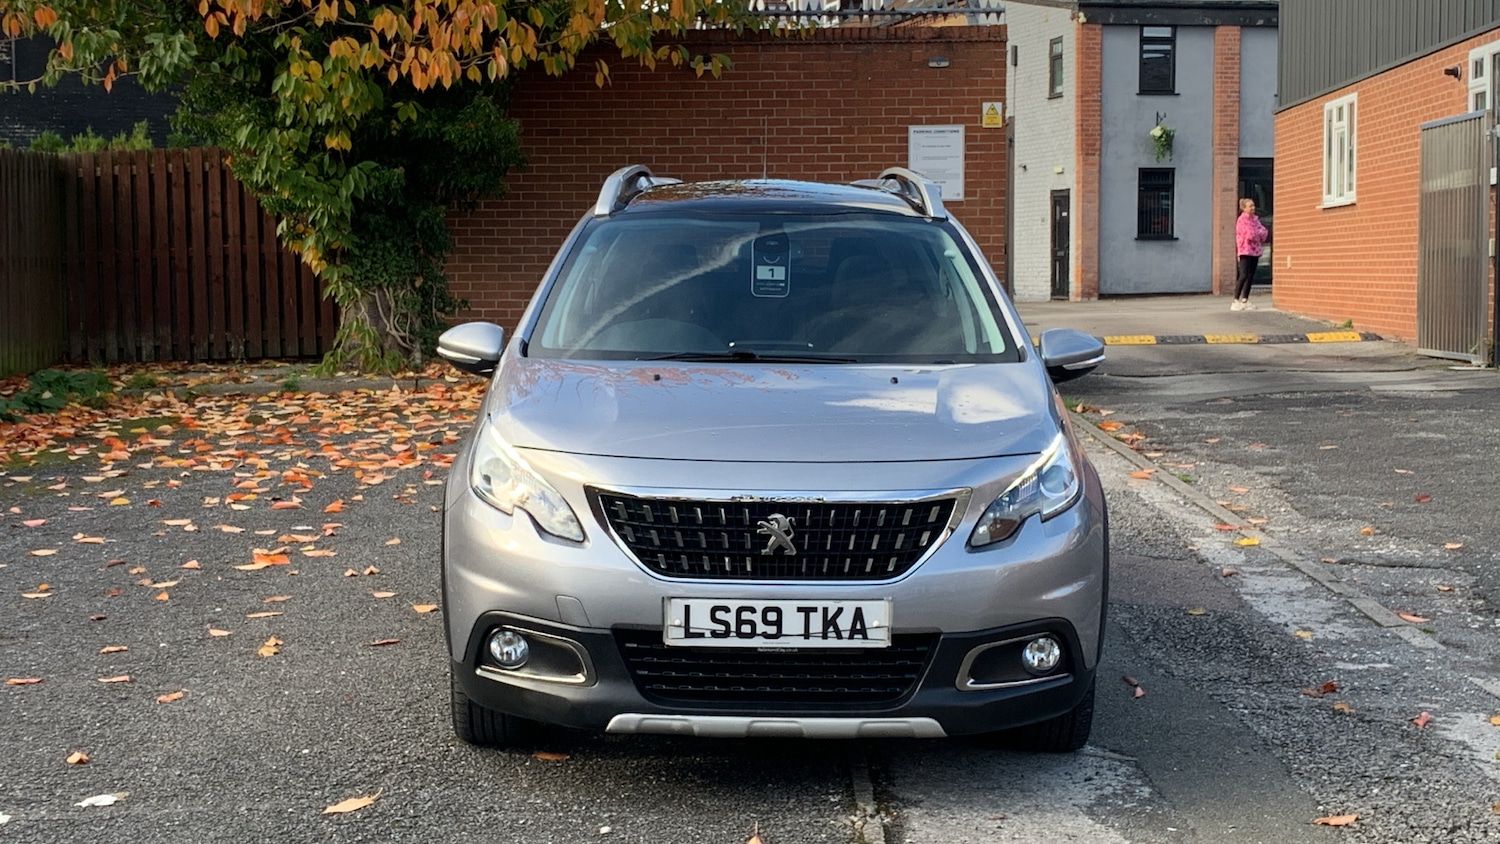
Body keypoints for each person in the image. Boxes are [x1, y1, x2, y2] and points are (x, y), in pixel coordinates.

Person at [1233, 198, 1268, 311]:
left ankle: (1245, 300)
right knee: (1243, 274)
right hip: (1245, 250)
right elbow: (1249, 235)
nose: (1253, 208)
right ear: (1244, 208)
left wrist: (1257, 234)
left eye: (1253, 206)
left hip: (1255, 251)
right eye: (1250, 206)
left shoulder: (1255, 220)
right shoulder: (1241, 220)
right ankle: (1235, 300)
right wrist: (1257, 234)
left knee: (1250, 276)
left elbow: (1264, 232)